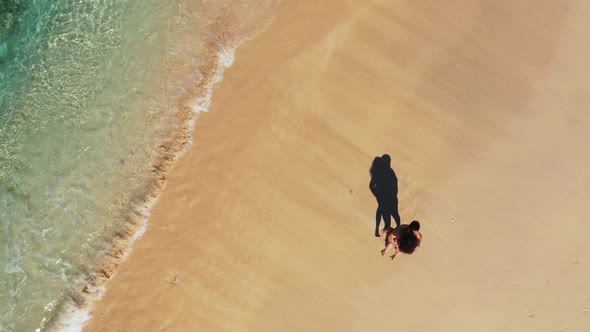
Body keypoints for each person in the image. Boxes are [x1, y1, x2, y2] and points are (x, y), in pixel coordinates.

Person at [369, 154, 401, 237]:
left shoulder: (379, 172)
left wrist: (377, 194)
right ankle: (389, 233)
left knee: (389, 213)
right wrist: (377, 194)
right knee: (392, 215)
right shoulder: (386, 171)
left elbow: (395, 184)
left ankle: (390, 231)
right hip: (386, 197)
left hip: (386, 197)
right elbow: (371, 186)